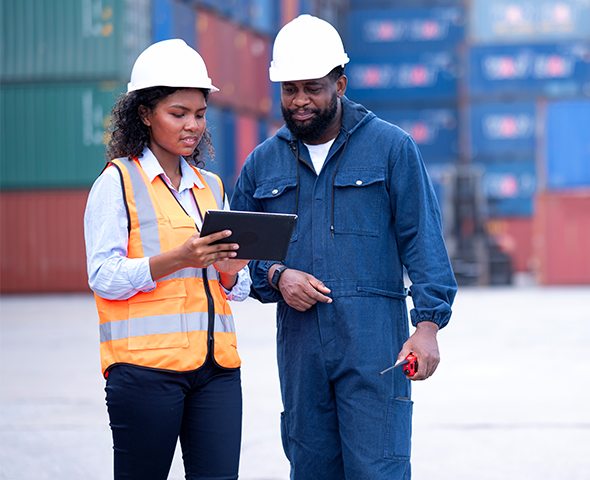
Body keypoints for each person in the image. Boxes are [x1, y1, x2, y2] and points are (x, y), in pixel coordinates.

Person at [230, 14, 457, 480]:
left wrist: (429, 324)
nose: (299, 101)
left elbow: (424, 241)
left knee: (378, 471)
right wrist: (276, 275)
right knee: (310, 471)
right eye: (289, 89)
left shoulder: (391, 149)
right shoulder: (261, 163)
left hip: (375, 347)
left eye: (312, 88)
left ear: (340, 83)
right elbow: (236, 259)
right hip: (299, 352)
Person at [84, 39, 250, 480]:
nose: (192, 125)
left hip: (216, 370)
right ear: (144, 114)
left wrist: (231, 274)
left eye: (199, 114)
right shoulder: (117, 183)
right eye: (178, 114)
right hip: (144, 371)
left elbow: (240, 286)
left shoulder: (211, 186)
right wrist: (176, 259)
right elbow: (103, 277)